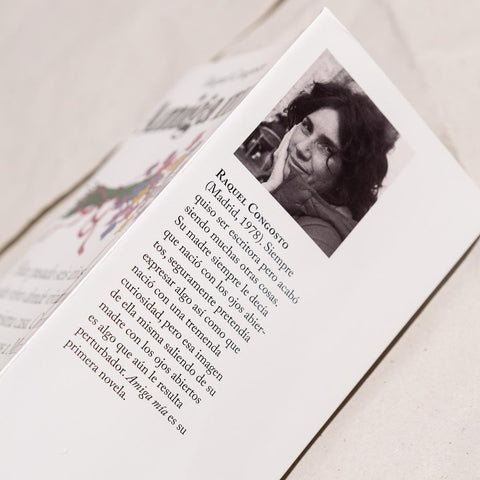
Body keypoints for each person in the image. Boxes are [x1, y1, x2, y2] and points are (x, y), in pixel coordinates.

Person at [238, 82, 398, 256]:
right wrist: (271, 187)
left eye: (327, 148)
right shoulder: (279, 184)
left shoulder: (321, 238)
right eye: (307, 127)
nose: (301, 147)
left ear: (348, 174)